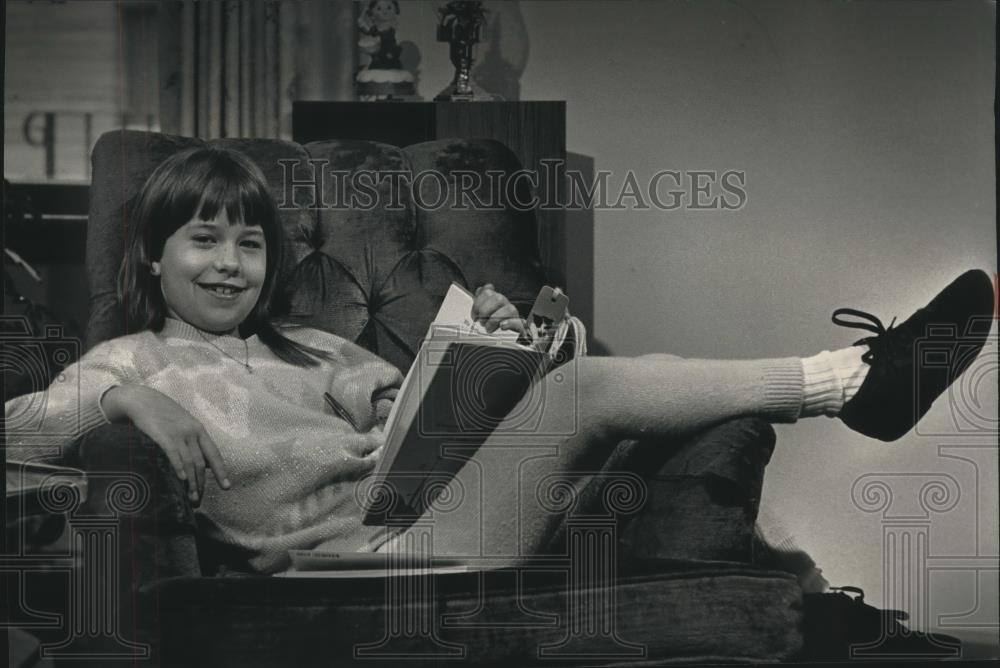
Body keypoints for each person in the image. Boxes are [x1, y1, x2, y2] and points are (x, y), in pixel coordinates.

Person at [4, 146, 994, 574]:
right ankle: (851, 383)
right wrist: (130, 402)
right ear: (153, 254)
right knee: (593, 387)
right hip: (367, 559)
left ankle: (855, 383)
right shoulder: (123, 359)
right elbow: (14, 436)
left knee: (562, 363)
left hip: (432, 499)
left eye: (248, 241)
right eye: (201, 240)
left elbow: (403, 410)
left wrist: (490, 350)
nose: (227, 262)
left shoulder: (304, 344)